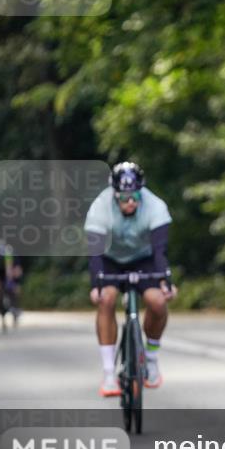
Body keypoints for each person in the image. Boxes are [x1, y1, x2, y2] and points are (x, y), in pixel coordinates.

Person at [84, 162, 176, 397]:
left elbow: (159, 250)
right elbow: (94, 251)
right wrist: (96, 284)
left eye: (135, 196)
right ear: (115, 194)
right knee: (106, 299)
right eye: (124, 198)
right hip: (110, 259)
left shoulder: (155, 206)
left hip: (144, 259)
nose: (131, 202)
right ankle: (108, 374)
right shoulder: (100, 207)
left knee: (157, 302)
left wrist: (166, 279)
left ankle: (151, 358)